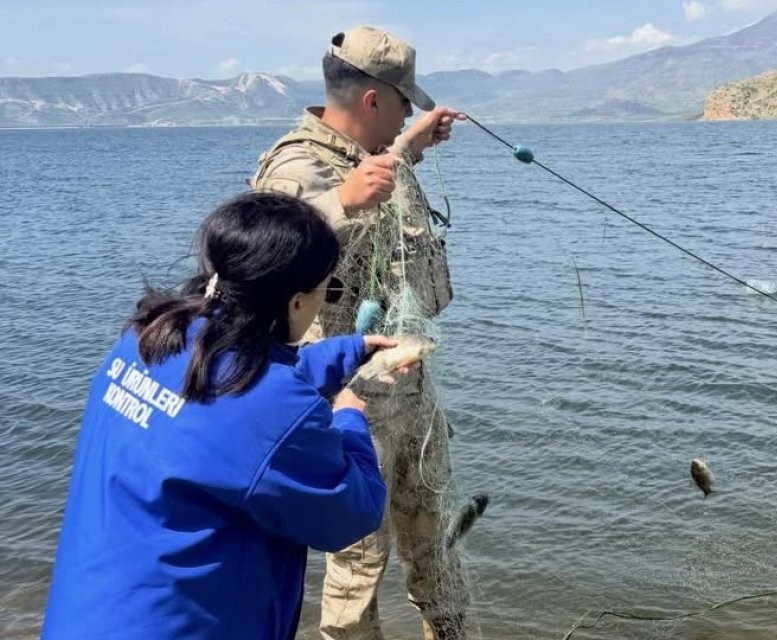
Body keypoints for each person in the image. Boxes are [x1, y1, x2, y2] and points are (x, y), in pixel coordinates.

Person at [41, 192, 396, 640]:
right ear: (296, 303)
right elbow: (351, 512)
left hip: (86, 613)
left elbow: (232, 396)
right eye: (328, 289)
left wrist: (351, 350)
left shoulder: (150, 338)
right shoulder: (270, 409)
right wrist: (349, 418)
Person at [250, 26, 469, 640]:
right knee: (358, 562)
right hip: (349, 403)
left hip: (409, 392)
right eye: (403, 105)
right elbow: (259, 259)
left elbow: (377, 188)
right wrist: (339, 202)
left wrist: (409, 147)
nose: (407, 116)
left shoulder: (366, 156)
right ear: (374, 100)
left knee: (437, 542)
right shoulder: (294, 166)